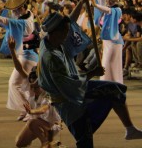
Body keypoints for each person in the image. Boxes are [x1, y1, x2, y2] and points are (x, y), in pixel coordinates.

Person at [38, 10, 142, 147]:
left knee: (116, 89)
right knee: (84, 139)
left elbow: (70, 21)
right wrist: (92, 73)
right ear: (57, 31)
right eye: (65, 31)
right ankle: (129, 129)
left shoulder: (49, 41)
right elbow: (69, 84)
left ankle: (129, 129)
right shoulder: (51, 56)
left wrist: (81, 2)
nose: (68, 34)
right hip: (68, 97)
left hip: (74, 87)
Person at [8, 36, 61, 148]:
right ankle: (51, 142)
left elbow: (44, 109)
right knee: (19, 143)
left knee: (32, 122)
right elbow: (19, 68)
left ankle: (46, 142)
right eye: (31, 85)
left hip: (52, 124)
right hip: (38, 122)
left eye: (36, 86)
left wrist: (32, 112)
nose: (32, 88)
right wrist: (12, 50)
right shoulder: (31, 84)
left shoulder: (47, 92)